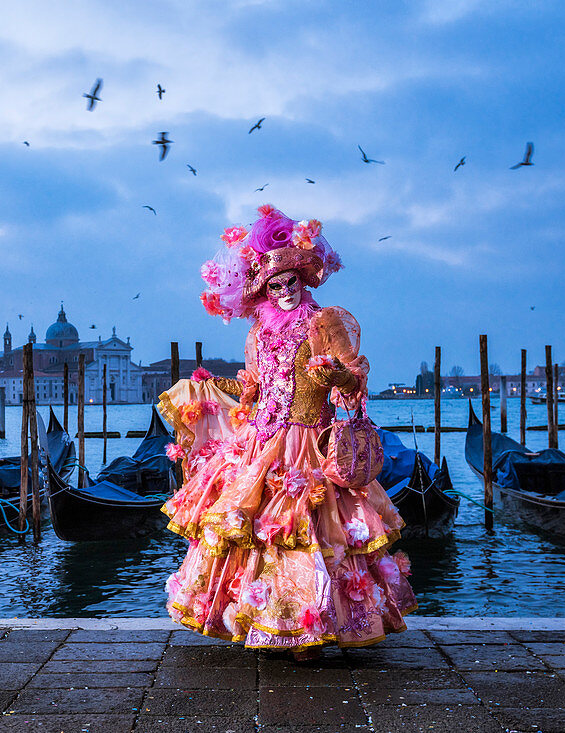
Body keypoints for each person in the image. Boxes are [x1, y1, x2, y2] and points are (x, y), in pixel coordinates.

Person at [159, 204, 416, 656]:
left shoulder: (323, 322)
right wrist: (212, 384)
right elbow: (254, 387)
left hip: (310, 442)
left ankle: (310, 632)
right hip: (262, 442)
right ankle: (275, 622)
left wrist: (332, 376)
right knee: (260, 534)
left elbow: (355, 377)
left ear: (302, 276)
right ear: (263, 286)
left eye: (289, 281)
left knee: (311, 535)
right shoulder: (259, 332)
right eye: (273, 285)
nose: (282, 291)